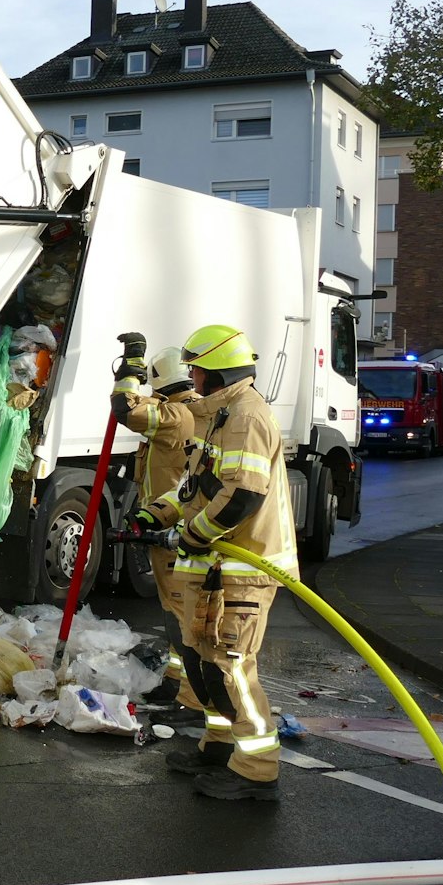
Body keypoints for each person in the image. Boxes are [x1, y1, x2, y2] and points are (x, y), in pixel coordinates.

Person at [139, 324, 297, 803]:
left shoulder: (247, 417)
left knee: (232, 668)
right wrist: (158, 511)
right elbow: (197, 488)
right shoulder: (217, 416)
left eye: (197, 369)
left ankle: (256, 770)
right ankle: (218, 745)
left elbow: (244, 495)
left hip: (243, 569)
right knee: (204, 664)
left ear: (219, 371)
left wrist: (190, 533)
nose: (190, 376)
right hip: (212, 569)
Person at [112, 336, 205, 714]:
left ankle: (187, 694)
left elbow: (126, 410)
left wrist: (130, 369)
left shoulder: (175, 416)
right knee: (180, 611)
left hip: (170, 522)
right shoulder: (193, 410)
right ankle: (176, 682)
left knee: (177, 611)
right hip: (175, 519)